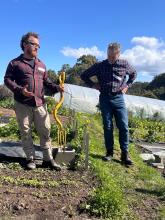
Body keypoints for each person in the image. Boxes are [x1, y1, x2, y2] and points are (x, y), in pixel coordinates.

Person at [4, 32, 63, 170]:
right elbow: (7, 79)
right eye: (34, 44)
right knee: (25, 131)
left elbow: (46, 82)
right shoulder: (15, 63)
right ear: (25, 45)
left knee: (46, 131)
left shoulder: (41, 64)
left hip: (40, 104)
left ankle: (48, 159)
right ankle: (30, 159)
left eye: (38, 45)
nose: (37, 47)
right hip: (22, 104)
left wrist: (57, 88)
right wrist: (19, 90)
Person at [81, 42, 137, 165]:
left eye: (113, 56)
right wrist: (93, 85)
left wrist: (127, 85)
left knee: (124, 126)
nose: (110, 58)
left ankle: (125, 154)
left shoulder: (124, 64)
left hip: (119, 98)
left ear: (118, 54)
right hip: (105, 98)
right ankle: (109, 152)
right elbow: (84, 75)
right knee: (108, 126)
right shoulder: (100, 65)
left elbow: (133, 74)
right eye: (108, 55)